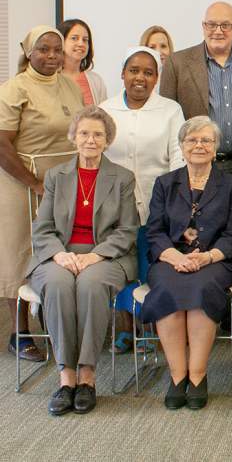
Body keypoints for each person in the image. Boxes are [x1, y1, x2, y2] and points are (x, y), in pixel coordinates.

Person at [26, 106, 138, 415]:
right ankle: (66, 378)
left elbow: (128, 229)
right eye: (84, 133)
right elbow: (43, 227)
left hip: (106, 253)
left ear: (107, 140)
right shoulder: (56, 176)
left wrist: (94, 255)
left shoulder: (122, 177)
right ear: (74, 137)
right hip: (58, 252)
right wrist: (60, 254)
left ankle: (87, 376)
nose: (91, 140)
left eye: (98, 134)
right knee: (59, 285)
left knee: (90, 284)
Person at [141, 117, 232, 410]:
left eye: (206, 141)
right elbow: (154, 231)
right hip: (170, 259)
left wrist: (205, 257)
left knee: (201, 288)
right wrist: (175, 256)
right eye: (192, 140)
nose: (199, 146)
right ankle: (178, 376)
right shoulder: (165, 183)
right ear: (181, 146)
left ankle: (198, 375)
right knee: (168, 289)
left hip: (216, 260)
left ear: (216, 148)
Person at [0, 26, 84, 362]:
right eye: (43, 50)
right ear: (28, 51)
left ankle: (56, 325)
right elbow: (2, 144)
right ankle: (18, 333)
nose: (51, 56)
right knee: (20, 253)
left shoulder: (68, 84)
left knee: (59, 252)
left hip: (62, 181)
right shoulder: (14, 88)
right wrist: (33, 182)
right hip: (21, 182)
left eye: (56, 50)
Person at [100, 47, 185, 353]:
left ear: (156, 78)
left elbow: (178, 156)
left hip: (157, 201)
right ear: (123, 74)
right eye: (134, 70)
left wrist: (174, 198)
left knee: (150, 265)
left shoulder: (170, 110)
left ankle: (150, 327)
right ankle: (125, 327)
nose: (140, 77)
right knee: (121, 264)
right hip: (114, 205)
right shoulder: (105, 109)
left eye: (148, 72)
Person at [159, 1, 232, 178]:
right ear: (203, 26)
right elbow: (166, 118)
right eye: (211, 24)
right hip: (195, 166)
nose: (218, 31)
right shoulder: (177, 63)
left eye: (225, 25)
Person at [57, 19, 107, 105]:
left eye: (85, 40)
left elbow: (102, 115)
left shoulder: (96, 80)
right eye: (74, 38)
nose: (81, 44)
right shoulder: (50, 78)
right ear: (61, 42)